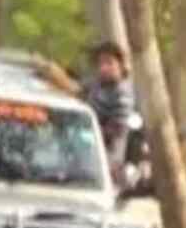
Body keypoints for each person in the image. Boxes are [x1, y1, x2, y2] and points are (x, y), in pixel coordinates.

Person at [38, 41, 137, 170]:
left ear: (121, 65)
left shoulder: (123, 94)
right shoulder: (98, 84)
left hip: (105, 161)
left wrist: (83, 131)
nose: (104, 68)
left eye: (109, 63)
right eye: (100, 63)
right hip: (80, 153)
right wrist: (53, 75)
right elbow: (75, 89)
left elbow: (114, 131)